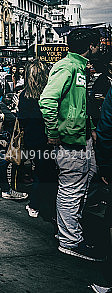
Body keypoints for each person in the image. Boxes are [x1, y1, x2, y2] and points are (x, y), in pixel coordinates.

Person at [40, 27, 102, 261]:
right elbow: (47, 100)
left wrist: (91, 129)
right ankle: (70, 240)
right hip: (69, 140)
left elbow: (78, 104)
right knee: (72, 188)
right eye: (97, 45)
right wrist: (53, 132)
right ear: (91, 46)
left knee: (85, 179)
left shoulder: (78, 67)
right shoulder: (67, 67)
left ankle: (69, 230)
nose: (99, 49)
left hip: (80, 137)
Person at [18, 59, 56, 221]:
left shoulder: (24, 96)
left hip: (33, 139)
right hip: (48, 138)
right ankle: (36, 204)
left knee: (42, 171)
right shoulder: (49, 94)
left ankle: (37, 204)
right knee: (46, 173)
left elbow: (22, 120)